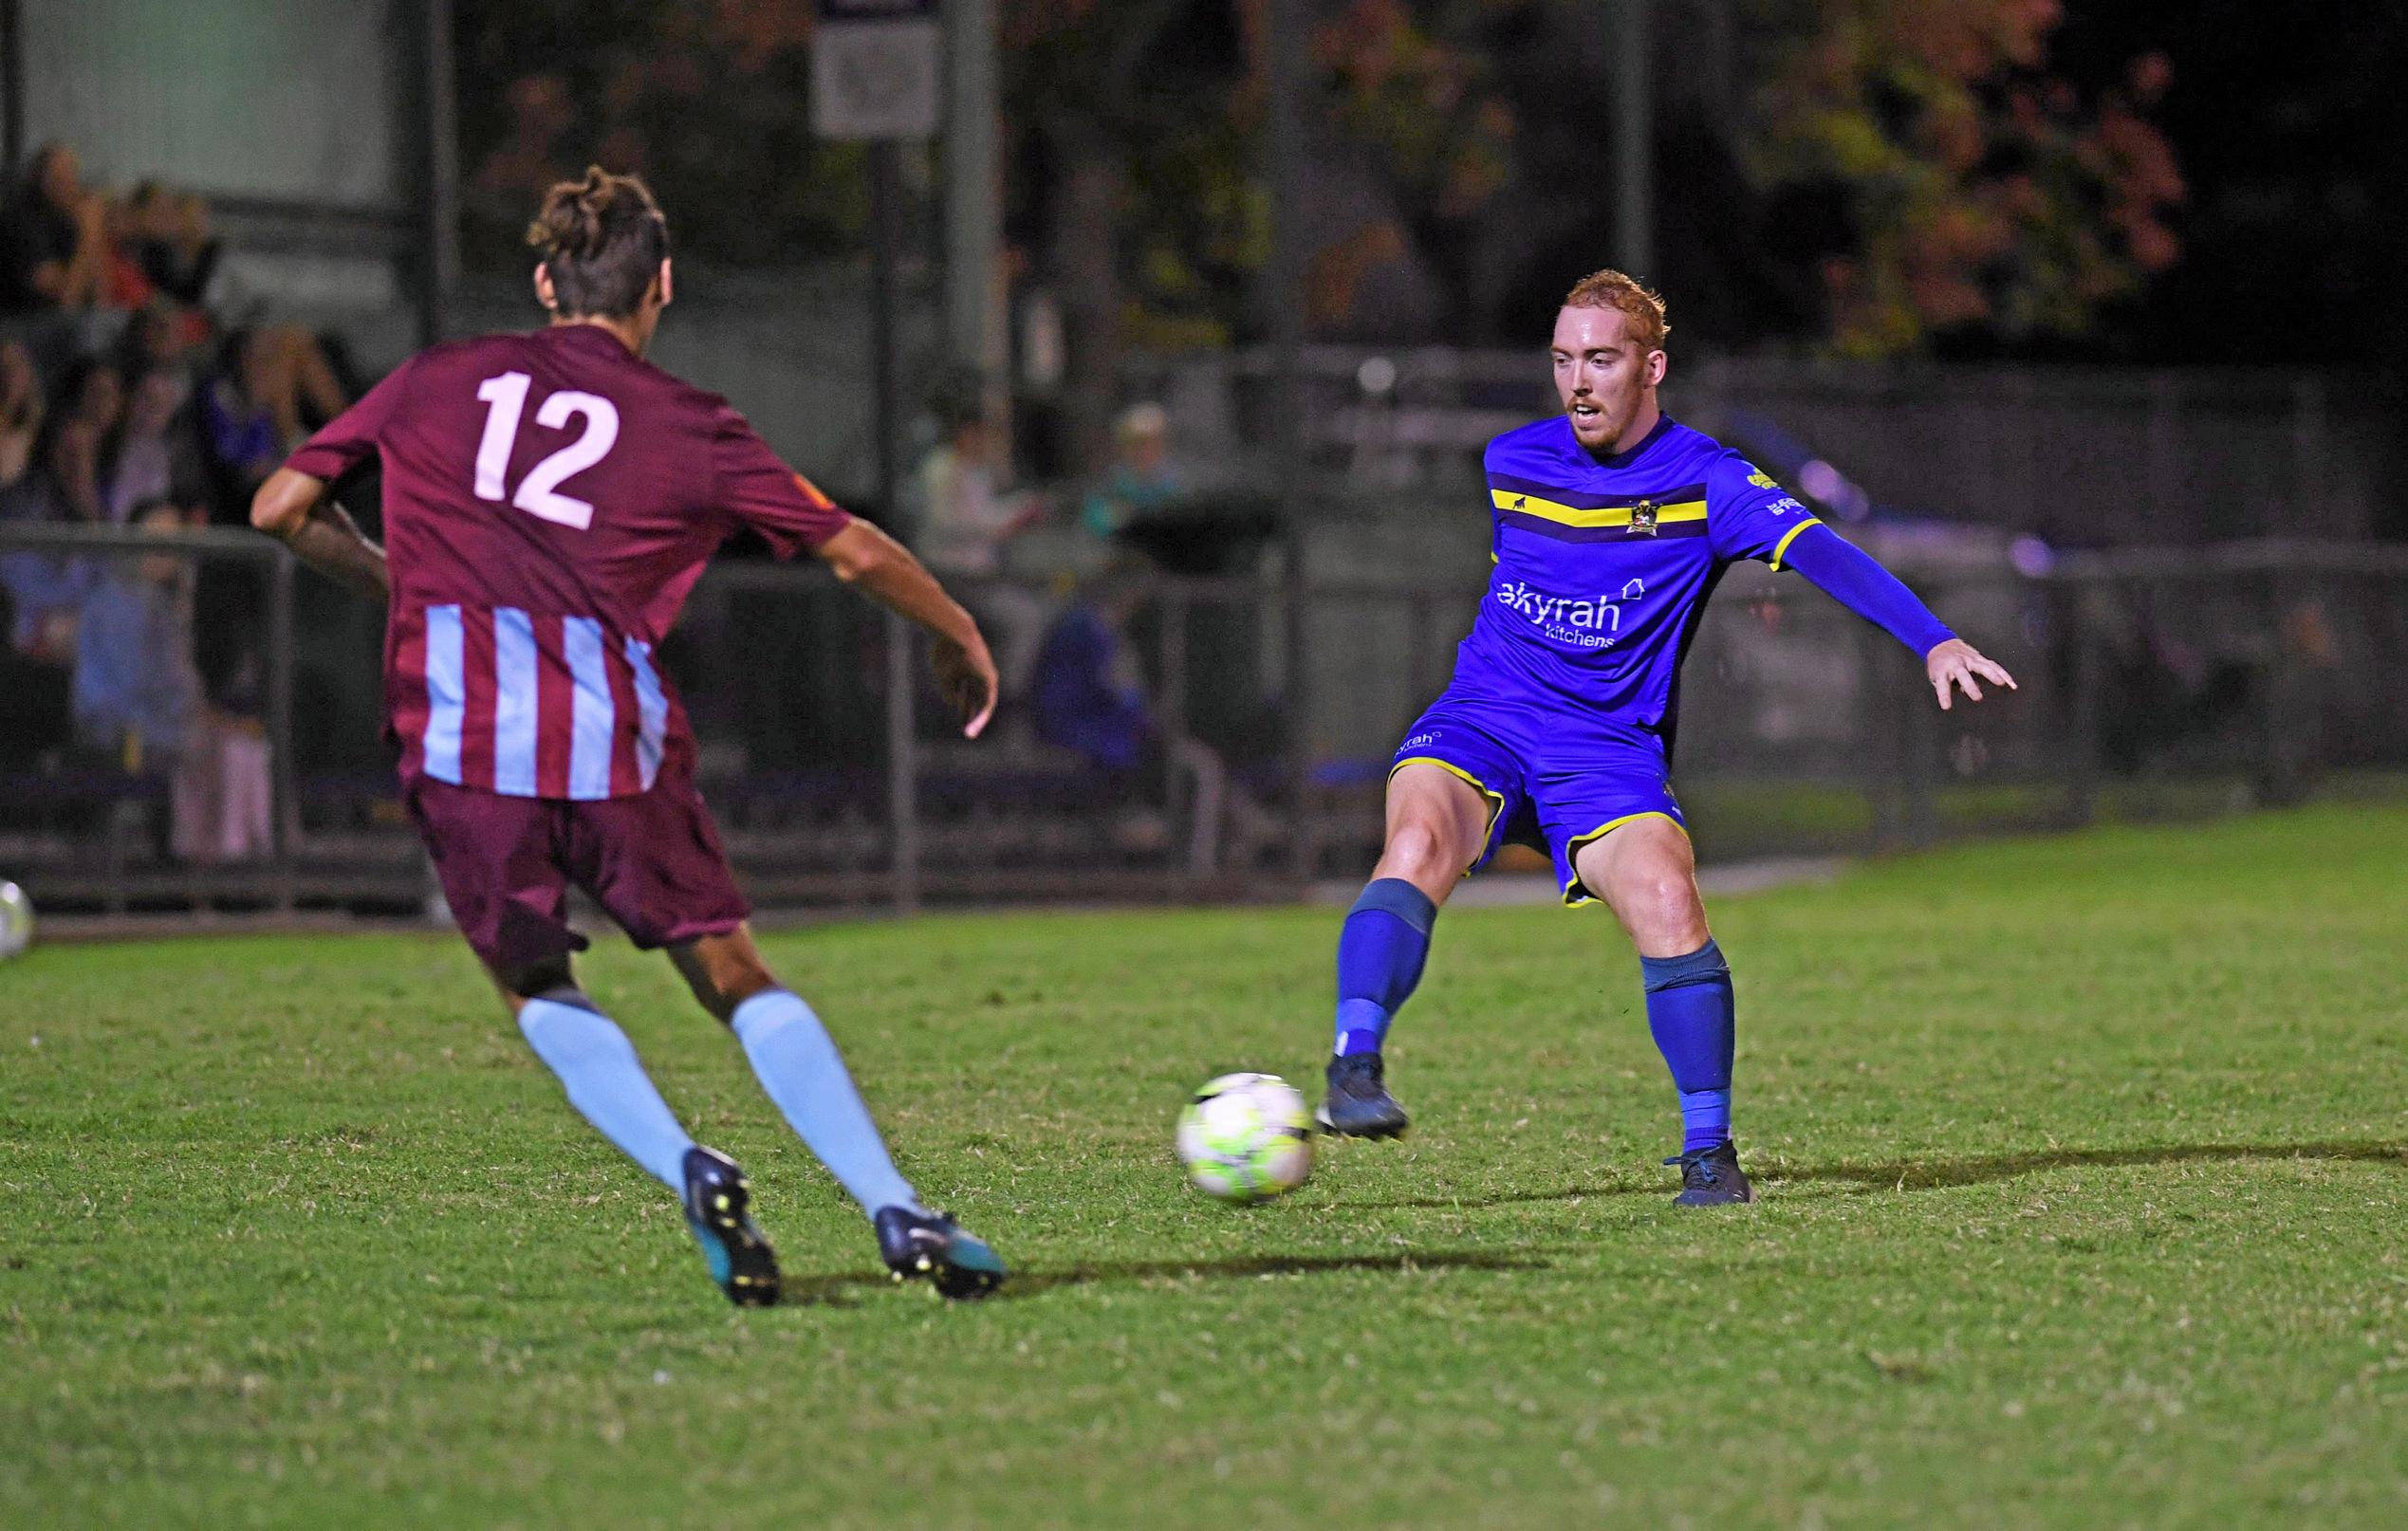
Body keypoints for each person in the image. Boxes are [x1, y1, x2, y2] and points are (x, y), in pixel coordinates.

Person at [250, 166, 1009, 1304]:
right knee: (732, 971)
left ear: (545, 283)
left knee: (535, 981)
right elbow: (851, 547)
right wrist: (957, 625)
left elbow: (279, 510)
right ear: (663, 283)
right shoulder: (693, 426)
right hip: (615, 739)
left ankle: (687, 1164)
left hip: (461, 741)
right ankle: (894, 1207)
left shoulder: (434, 379)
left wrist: (395, 580)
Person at [1314, 269, 2017, 1205]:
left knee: (1670, 901)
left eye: (1600, 359)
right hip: (1483, 719)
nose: (1578, 381)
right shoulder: (1512, 463)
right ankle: (1353, 1067)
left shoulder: (1710, 481)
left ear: (1652, 367)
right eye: (1564, 359)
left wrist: (1931, 640)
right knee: (1415, 842)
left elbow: (1825, 552)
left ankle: (1707, 1154)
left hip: (1604, 747)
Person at [0, 143, 106, 316]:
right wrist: (88, 234)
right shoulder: (22, 220)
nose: (71, 184)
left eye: (72, 174)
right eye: (61, 176)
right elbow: (65, 302)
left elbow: (102, 298)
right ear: (42, 180)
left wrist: (95, 235)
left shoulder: (67, 220)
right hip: (25, 322)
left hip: (65, 322)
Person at [1079, 402, 1181, 541]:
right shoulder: (1111, 484)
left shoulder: (1174, 484)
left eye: (1153, 443)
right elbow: (1094, 521)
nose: (1144, 451)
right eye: (1138, 444)